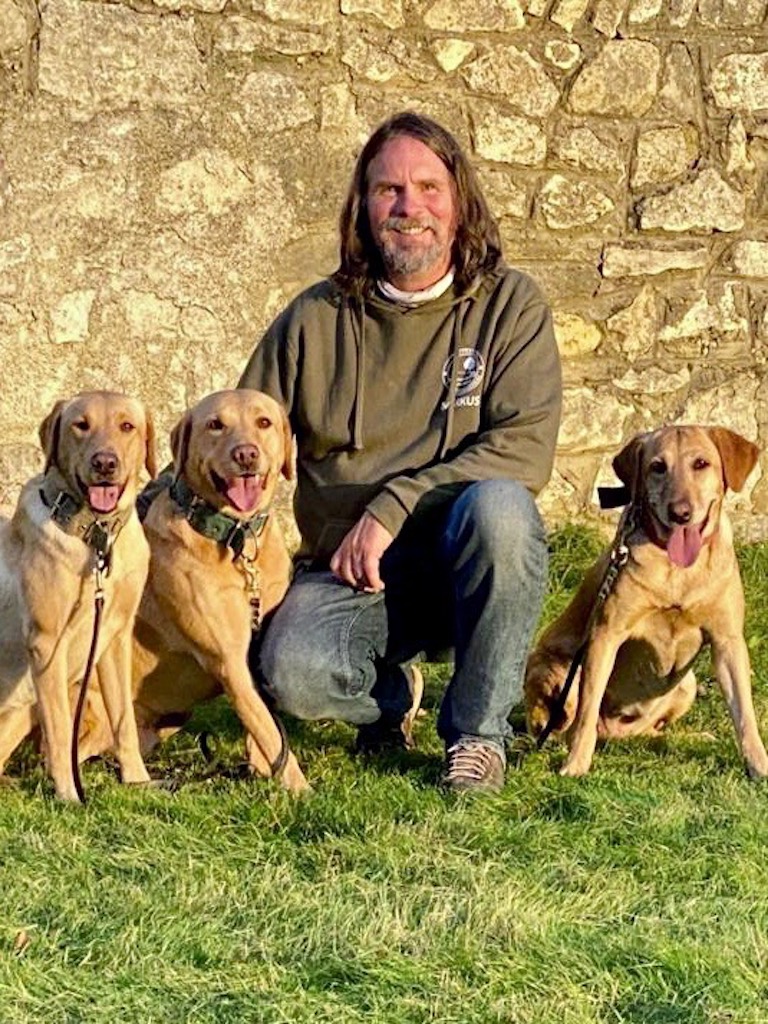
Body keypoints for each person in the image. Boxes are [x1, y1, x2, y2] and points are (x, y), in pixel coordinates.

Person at [240, 111, 562, 793]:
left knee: (504, 511)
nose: (409, 207)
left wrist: (395, 504)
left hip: (464, 561)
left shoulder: (510, 306)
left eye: (428, 188)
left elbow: (524, 447)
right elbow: (241, 433)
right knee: (292, 672)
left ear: (459, 202)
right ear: (363, 205)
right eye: (389, 190)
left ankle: (478, 736)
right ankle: (391, 697)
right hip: (350, 575)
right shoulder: (314, 319)